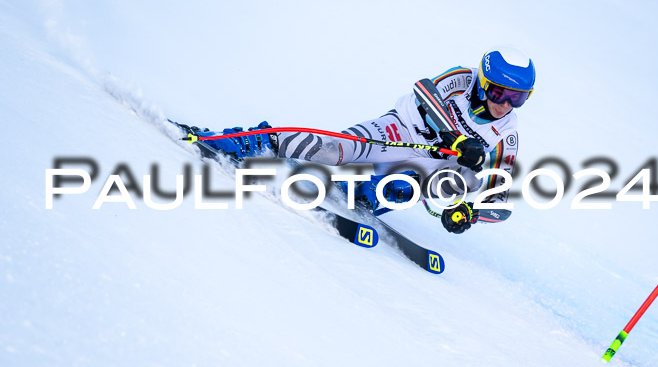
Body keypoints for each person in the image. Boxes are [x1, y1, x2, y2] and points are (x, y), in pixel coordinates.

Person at [189, 46, 535, 234]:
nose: (504, 103)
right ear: (482, 80)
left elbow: (500, 202)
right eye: (498, 90)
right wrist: (456, 138)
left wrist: (469, 213)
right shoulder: (462, 78)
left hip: (430, 165)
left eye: (517, 98)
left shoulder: (508, 133)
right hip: (399, 131)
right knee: (334, 148)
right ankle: (247, 141)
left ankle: (375, 190)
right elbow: (424, 91)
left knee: (462, 181)